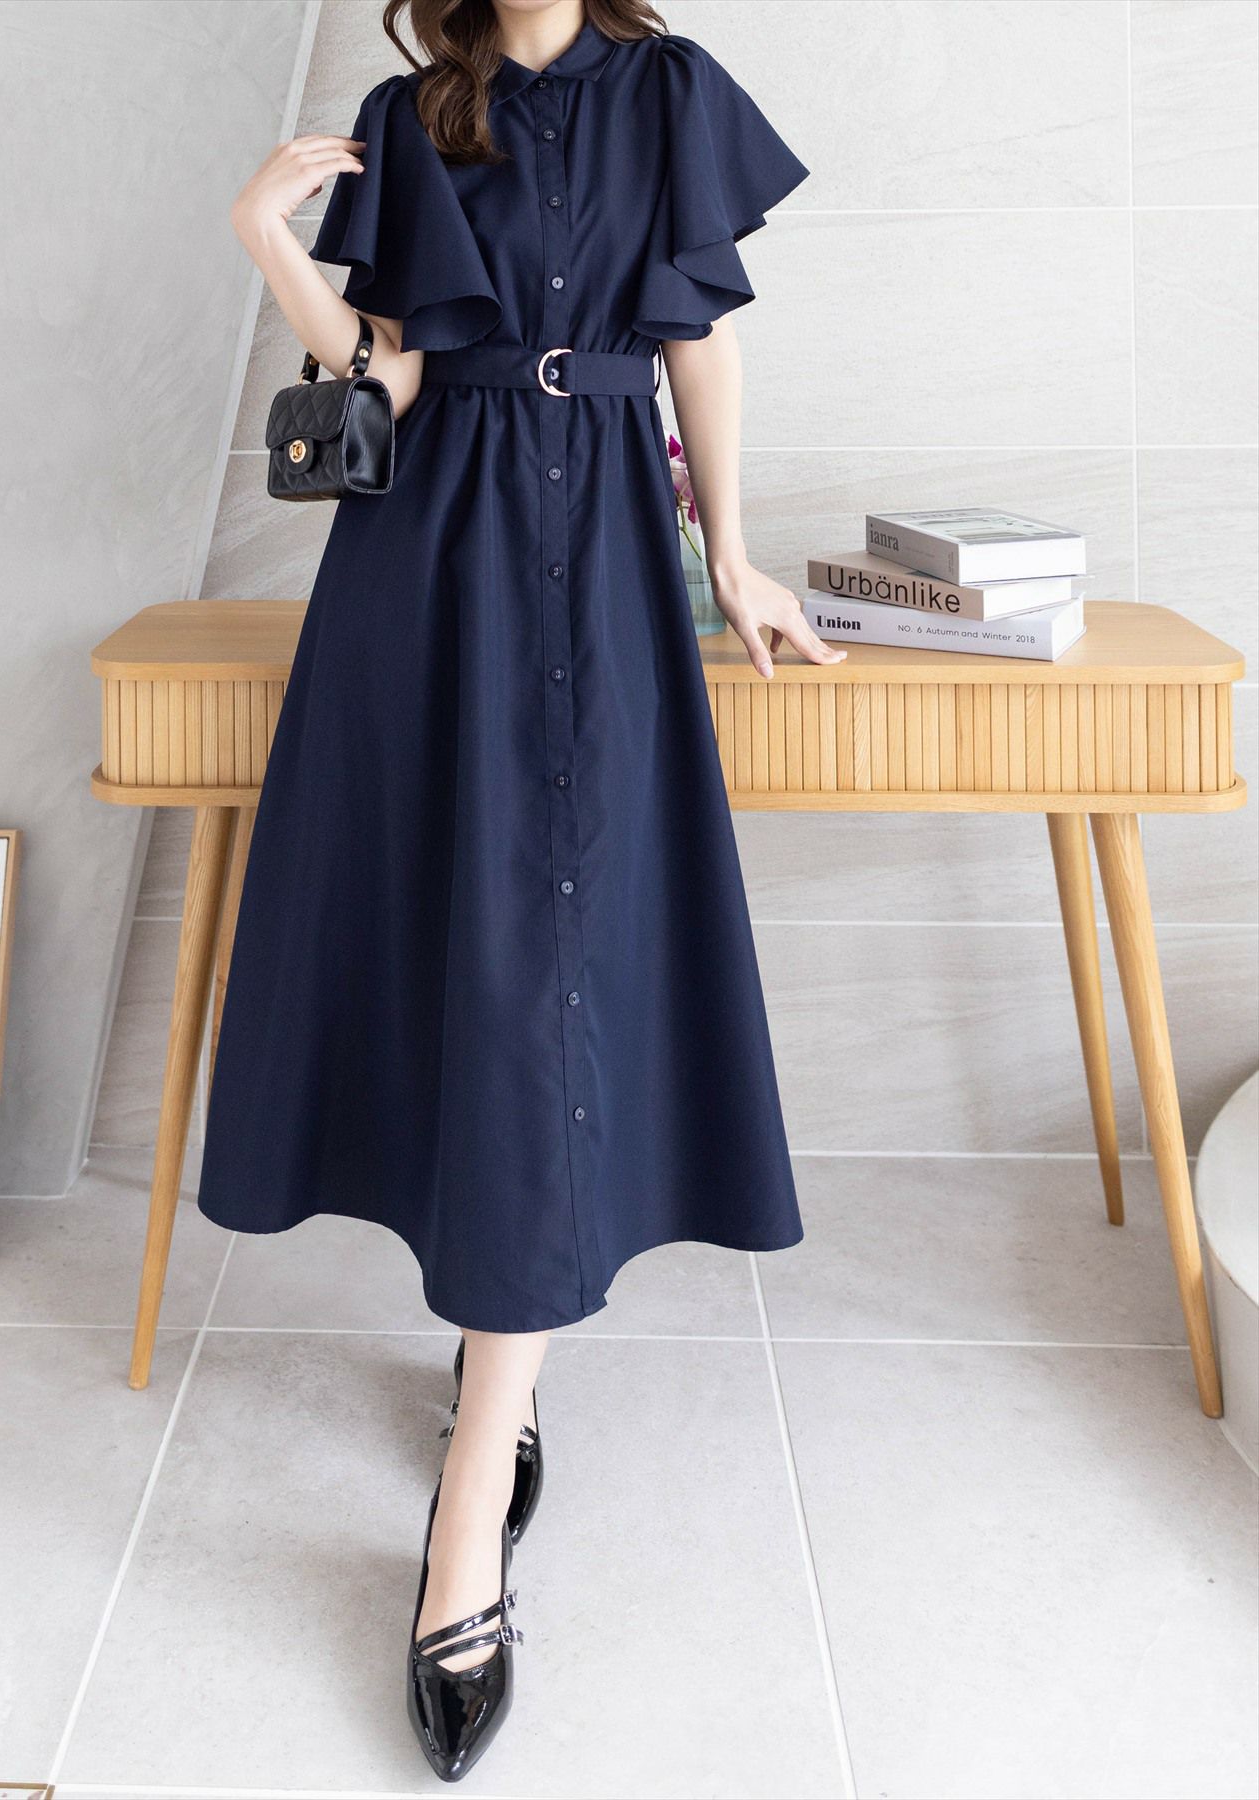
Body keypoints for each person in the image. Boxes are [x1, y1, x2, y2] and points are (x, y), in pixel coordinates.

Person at [201, 0, 842, 1780]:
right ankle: (500, 1417)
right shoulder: (417, 113)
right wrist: (269, 244)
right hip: (428, 569)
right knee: (476, 966)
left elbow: (697, 334)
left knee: (556, 968)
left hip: (613, 552)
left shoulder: (674, 92)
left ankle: (475, 1481)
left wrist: (733, 556)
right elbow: (390, 377)